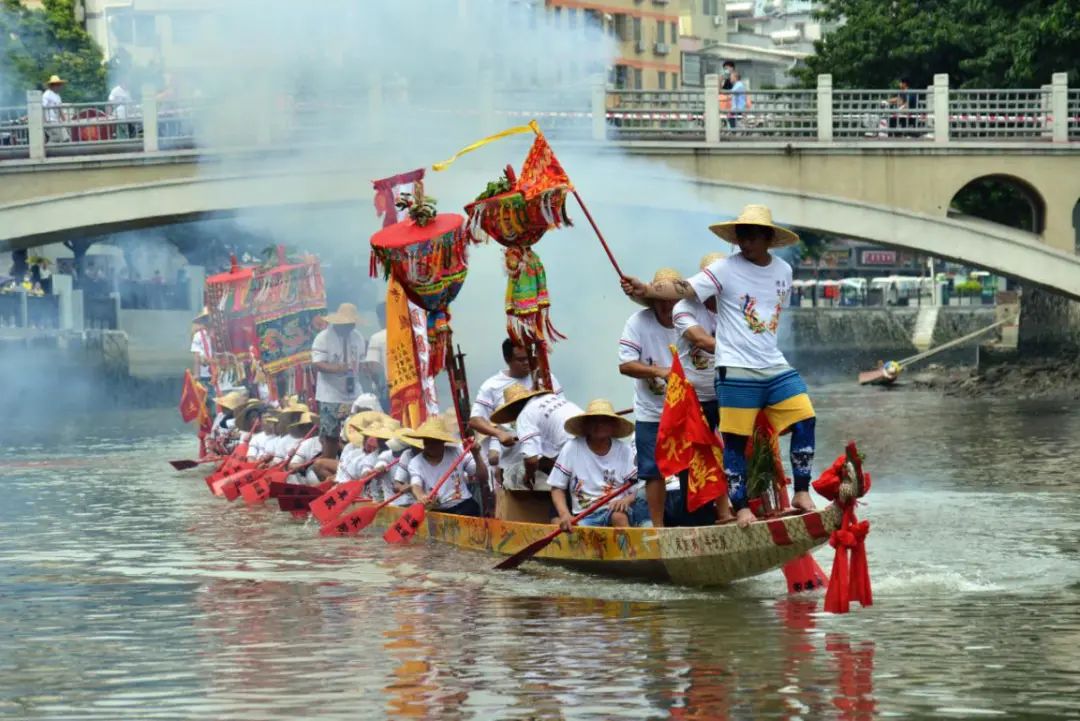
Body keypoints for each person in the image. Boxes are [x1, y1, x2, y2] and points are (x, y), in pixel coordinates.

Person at [620, 204, 818, 528]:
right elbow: (683, 289)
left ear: (767, 238)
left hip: (772, 364)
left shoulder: (784, 271)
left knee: (805, 417)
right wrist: (647, 289)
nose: (744, 242)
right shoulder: (722, 272)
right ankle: (738, 510)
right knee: (734, 441)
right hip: (727, 375)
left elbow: (765, 317)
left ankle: (800, 491)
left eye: (751, 235)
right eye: (740, 236)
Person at [671, 251, 734, 525]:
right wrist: (746, 348)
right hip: (694, 399)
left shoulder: (734, 304)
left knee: (736, 450)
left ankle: (745, 505)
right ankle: (702, 518)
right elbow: (702, 340)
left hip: (730, 392)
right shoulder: (683, 307)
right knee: (696, 461)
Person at [618, 267, 681, 527]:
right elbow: (625, 365)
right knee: (653, 471)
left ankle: (705, 518)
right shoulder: (638, 322)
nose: (667, 305)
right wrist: (658, 371)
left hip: (687, 410)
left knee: (694, 465)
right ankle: (658, 528)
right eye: (662, 299)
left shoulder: (691, 320)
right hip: (651, 411)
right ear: (653, 300)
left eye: (672, 300)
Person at [548, 399, 649, 530]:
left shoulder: (624, 450)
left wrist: (626, 501)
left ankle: (631, 550)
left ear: (612, 425)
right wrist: (565, 515)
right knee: (572, 530)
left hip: (615, 510)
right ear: (586, 425)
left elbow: (638, 488)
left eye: (604, 421)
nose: (599, 425)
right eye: (594, 421)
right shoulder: (572, 447)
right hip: (584, 516)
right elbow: (557, 487)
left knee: (619, 517)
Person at [468, 338, 562, 474]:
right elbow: (475, 420)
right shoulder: (492, 386)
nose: (527, 363)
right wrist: (499, 433)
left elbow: (561, 409)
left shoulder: (546, 378)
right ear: (507, 359)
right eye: (521, 359)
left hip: (548, 458)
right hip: (512, 463)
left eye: (529, 357)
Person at [489, 383, 583, 490]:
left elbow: (531, 460)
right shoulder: (551, 398)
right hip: (593, 439)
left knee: (569, 495)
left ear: (512, 409)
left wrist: (528, 476)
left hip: (574, 452)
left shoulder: (524, 415)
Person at [311, 302, 368, 458]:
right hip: (331, 394)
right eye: (347, 324)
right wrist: (337, 368)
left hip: (354, 392)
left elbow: (361, 362)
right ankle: (328, 462)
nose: (350, 327)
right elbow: (317, 364)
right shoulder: (323, 338)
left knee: (357, 430)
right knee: (331, 434)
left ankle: (353, 462)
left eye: (352, 324)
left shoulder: (358, 337)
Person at [405, 417, 488, 517]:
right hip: (437, 511)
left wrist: (476, 455)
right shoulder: (415, 462)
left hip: (464, 506)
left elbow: (483, 477)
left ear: (442, 441)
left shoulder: (457, 452)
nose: (430, 444)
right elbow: (416, 484)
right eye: (427, 441)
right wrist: (421, 496)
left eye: (435, 441)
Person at [287, 412, 322, 483]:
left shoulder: (306, 443)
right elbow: (292, 465)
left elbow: (292, 465)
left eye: (308, 426)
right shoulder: (301, 443)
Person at [190, 307, 215, 402]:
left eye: (209, 319)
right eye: (206, 319)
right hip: (205, 375)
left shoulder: (215, 335)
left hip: (216, 374)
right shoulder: (198, 335)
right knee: (206, 402)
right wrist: (196, 374)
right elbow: (197, 357)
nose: (209, 321)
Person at [41, 75, 69, 143]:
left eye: (59, 84)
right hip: (49, 121)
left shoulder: (58, 96)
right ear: (52, 85)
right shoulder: (46, 94)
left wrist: (65, 121)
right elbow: (42, 108)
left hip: (56, 121)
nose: (59, 86)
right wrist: (44, 121)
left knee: (65, 137)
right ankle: (48, 150)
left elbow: (60, 109)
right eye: (57, 84)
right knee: (56, 137)